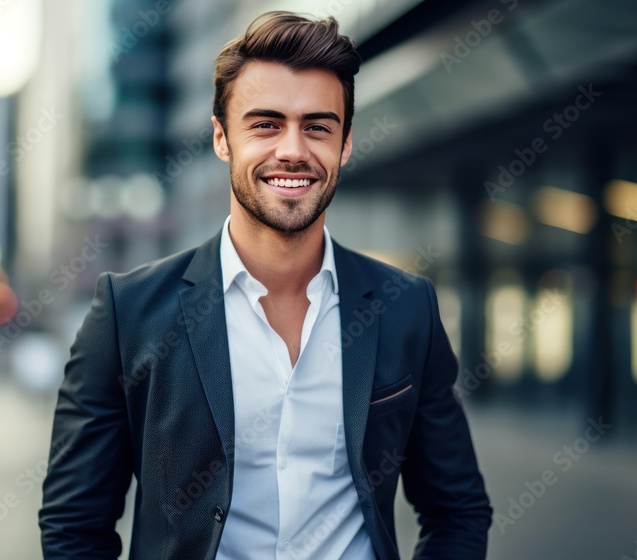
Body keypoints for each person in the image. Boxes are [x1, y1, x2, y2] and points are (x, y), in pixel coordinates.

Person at [39, 11, 492, 559]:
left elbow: (458, 509)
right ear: (221, 138)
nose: (293, 150)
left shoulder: (406, 309)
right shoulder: (127, 313)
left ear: (345, 144)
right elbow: (73, 524)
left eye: (318, 127)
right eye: (266, 124)